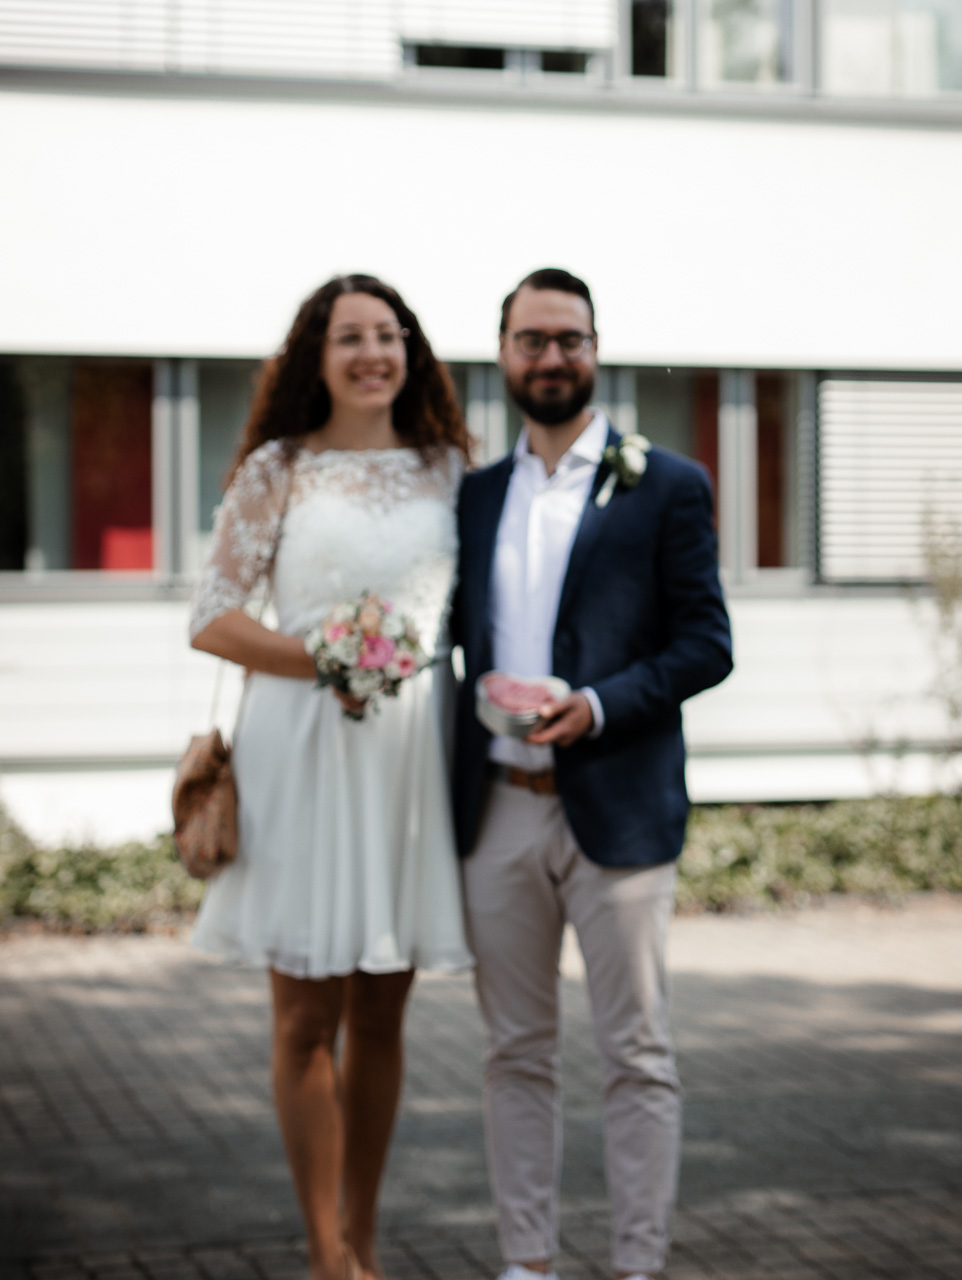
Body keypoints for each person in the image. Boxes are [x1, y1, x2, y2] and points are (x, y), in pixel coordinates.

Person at [188, 274, 475, 1280]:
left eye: (387, 335)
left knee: (383, 1011)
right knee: (306, 1010)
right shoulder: (279, 468)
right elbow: (212, 616)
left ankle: (366, 1234)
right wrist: (327, 657)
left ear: (411, 351)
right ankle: (324, 1253)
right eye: (349, 336)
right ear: (316, 354)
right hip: (299, 751)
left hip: (409, 760)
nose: (370, 353)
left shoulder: (451, 466)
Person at [449, 268, 733, 1280]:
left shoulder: (666, 482)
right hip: (497, 810)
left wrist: (601, 702)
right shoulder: (476, 494)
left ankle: (637, 1264)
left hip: (618, 805)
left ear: (595, 348)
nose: (551, 356)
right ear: (504, 354)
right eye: (532, 339)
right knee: (514, 1053)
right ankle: (527, 1262)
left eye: (568, 338)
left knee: (637, 1055)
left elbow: (708, 643)